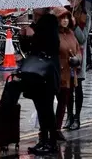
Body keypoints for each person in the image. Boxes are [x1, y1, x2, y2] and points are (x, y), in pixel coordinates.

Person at [21, 13, 61, 155]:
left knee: (47, 110)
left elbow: (53, 46)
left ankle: (52, 143)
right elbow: (26, 49)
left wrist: (35, 35)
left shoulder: (50, 21)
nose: (35, 11)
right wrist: (24, 36)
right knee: (40, 109)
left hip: (47, 74)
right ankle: (43, 140)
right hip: (35, 74)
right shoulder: (34, 24)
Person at [52, 7, 81, 141]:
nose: (65, 20)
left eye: (67, 18)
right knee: (53, 103)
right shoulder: (53, 34)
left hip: (69, 74)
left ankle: (57, 128)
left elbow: (78, 49)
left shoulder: (71, 33)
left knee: (63, 102)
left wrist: (77, 59)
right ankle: (48, 130)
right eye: (62, 18)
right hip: (57, 73)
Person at [64, 0, 90, 131]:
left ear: (80, 0)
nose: (71, 1)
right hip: (66, 55)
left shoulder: (85, 16)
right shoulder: (65, 13)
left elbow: (83, 38)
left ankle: (77, 118)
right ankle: (69, 116)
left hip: (78, 56)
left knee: (77, 87)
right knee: (67, 88)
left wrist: (74, 26)